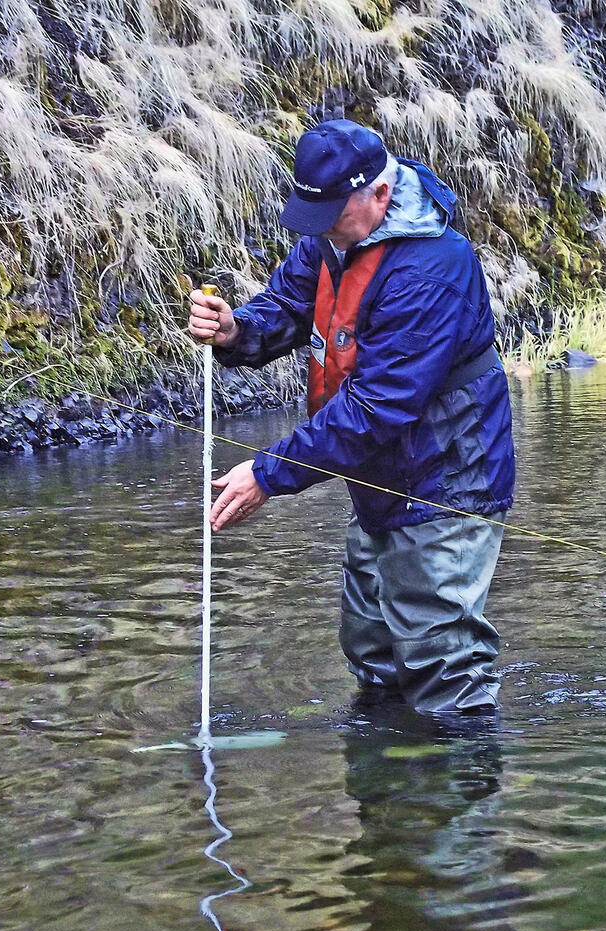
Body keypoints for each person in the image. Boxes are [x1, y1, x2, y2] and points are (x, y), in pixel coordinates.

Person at [186, 119, 515, 714]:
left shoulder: (429, 269)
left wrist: (267, 474)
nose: (321, 234)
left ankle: (458, 788)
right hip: (381, 480)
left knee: (445, 669)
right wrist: (236, 329)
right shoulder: (335, 236)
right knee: (372, 648)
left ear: (380, 196)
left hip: (447, 482)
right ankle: (388, 784)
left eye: (333, 217)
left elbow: (377, 408)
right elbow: (287, 304)